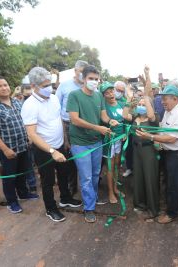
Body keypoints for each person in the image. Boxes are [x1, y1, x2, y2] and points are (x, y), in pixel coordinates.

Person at [21, 67, 82, 222]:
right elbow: (32, 134)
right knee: (47, 180)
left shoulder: (54, 98)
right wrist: (51, 151)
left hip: (60, 144)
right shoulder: (29, 105)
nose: (49, 88)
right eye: (45, 85)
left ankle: (65, 198)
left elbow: (59, 119)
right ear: (34, 86)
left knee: (64, 173)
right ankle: (51, 208)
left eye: (50, 84)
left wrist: (65, 140)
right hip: (44, 150)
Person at [67, 65, 119, 223]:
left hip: (96, 141)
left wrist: (110, 121)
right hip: (80, 143)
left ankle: (93, 198)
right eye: (91, 79)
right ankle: (88, 208)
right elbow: (74, 119)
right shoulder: (74, 95)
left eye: (96, 79)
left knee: (96, 173)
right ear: (83, 79)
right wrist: (97, 127)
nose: (94, 82)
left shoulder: (99, 97)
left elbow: (103, 116)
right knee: (86, 177)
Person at [0, 75, 39, 214]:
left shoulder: (17, 102)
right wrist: (5, 149)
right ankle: (12, 201)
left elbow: (24, 122)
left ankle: (23, 193)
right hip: (7, 149)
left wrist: (29, 138)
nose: (4, 88)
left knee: (23, 173)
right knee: (9, 176)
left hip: (23, 146)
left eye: (5, 85)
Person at [136, 85, 178, 224]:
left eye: (165, 99)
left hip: (177, 153)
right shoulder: (169, 110)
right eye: (162, 99)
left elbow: (172, 138)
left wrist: (150, 137)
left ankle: (172, 214)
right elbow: (163, 128)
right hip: (168, 151)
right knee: (168, 180)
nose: (162, 102)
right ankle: (168, 205)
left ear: (175, 99)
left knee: (174, 183)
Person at [123, 94, 159, 221]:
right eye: (140, 104)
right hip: (136, 150)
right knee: (138, 176)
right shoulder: (135, 117)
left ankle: (153, 208)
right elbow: (124, 115)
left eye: (144, 105)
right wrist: (128, 101)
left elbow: (150, 115)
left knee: (150, 178)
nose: (141, 106)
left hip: (148, 150)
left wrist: (146, 97)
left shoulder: (153, 118)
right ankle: (140, 204)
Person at [56, 60, 88, 194]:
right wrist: (64, 134)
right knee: (70, 157)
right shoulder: (64, 86)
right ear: (75, 71)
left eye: (85, 73)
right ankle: (71, 187)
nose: (83, 75)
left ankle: (88, 185)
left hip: (86, 126)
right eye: (81, 72)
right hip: (68, 125)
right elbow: (56, 107)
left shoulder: (91, 87)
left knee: (85, 156)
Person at [99, 82, 126, 203]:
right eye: (107, 92)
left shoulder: (121, 104)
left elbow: (126, 119)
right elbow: (104, 120)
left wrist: (125, 132)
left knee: (117, 165)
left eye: (112, 91)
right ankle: (110, 192)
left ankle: (115, 188)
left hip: (120, 140)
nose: (111, 94)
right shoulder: (103, 107)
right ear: (103, 95)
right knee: (110, 167)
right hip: (109, 141)